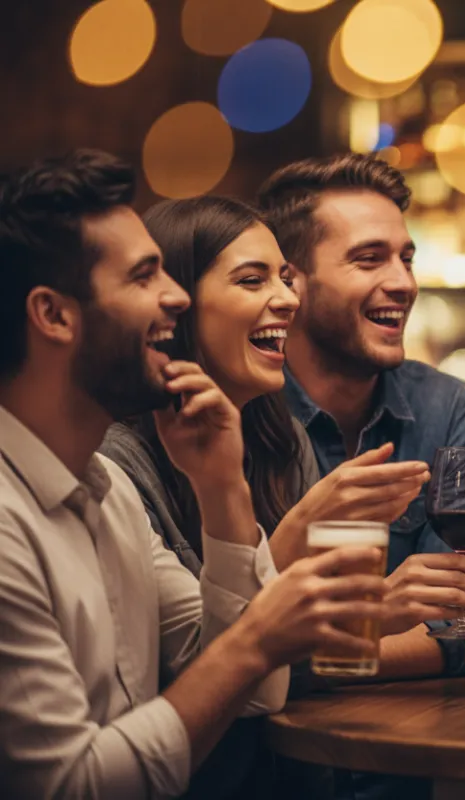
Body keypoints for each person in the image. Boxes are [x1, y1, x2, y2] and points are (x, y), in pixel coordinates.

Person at [0, 149, 387, 798]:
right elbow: (72, 786)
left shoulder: (107, 493)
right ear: (55, 315)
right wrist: (264, 635)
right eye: (143, 277)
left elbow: (256, 696)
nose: (175, 296)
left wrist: (220, 487)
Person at [98, 196, 465, 798]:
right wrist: (307, 539)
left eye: (285, 278)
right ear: (176, 307)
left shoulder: (278, 436)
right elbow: (209, 677)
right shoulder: (117, 466)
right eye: (252, 279)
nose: (288, 299)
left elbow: (295, 666)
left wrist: (358, 624)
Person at [256, 154, 465, 683]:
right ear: (290, 283)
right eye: (369, 259)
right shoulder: (238, 416)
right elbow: (205, 638)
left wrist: (292, 663)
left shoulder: (448, 407)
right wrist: (375, 619)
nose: (403, 282)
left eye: (406, 258)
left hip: (410, 753)